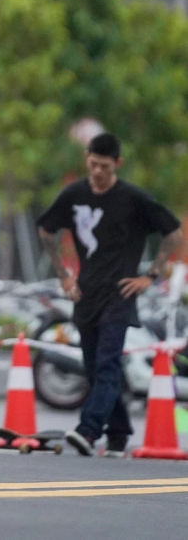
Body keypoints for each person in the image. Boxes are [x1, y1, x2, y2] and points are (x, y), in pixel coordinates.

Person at [37, 133, 182, 457]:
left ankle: (88, 431)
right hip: (85, 292)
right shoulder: (74, 194)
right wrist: (63, 275)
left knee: (107, 364)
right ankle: (118, 432)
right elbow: (46, 229)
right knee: (92, 368)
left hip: (120, 293)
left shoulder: (133, 198)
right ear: (86, 157)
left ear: (117, 164)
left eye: (104, 166)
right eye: (92, 164)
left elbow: (173, 232)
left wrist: (150, 275)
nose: (98, 171)